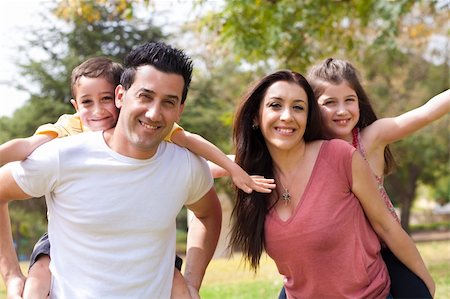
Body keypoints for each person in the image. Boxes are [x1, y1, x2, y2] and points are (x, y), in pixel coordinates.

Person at [0, 56, 272, 299]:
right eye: (145, 96)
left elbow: (208, 214)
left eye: (168, 101)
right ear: (122, 95)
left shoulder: (184, 163)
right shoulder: (60, 153)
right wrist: (12, 275)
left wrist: (193, 281)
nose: (154, 112)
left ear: (180, 109)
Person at [229, 70, 435, 298]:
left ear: (308, 118)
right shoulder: (249, 178)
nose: (287, 116)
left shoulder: (339, 156)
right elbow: (196, 168)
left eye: (298, 107)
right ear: (256, 117)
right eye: (275, 105)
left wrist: (423, 284)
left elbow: (386, 226)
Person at [306, 57, 449, 298]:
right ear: (312, 107)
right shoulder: (306, 151)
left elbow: (425, 113)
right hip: (335, 259)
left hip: (384, 247)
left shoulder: (370, 139)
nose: (342, 110)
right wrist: (222, 167)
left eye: (349, 100)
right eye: (330, 102)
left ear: (359, 102)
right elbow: (250, 160)